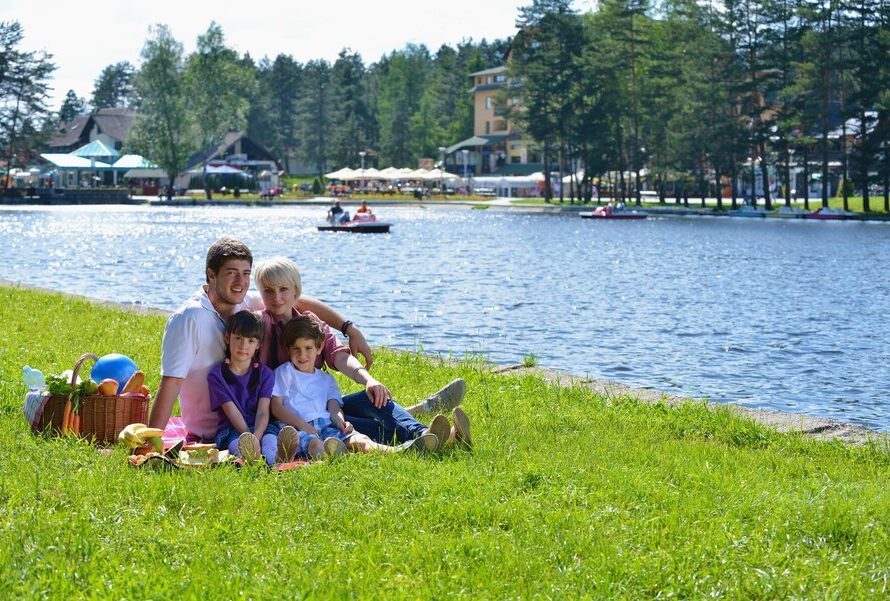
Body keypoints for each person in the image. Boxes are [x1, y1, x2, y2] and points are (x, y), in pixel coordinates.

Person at [147, 237, 376, 443]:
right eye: (231, 273)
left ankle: (394, 421)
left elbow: (296, 300)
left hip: (258, 414)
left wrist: (349, 328)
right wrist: (151, 441)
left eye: (246, 273)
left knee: (361, 404)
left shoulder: (242, 300)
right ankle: (382, 428)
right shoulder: (188, 318)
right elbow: (171, 383)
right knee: (343, 415)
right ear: (211, 275)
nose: (240, 281)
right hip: (218, 428)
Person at [254, 256, 471, 449]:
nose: (277, 297)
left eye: (283, 290)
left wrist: (368, 380)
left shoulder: (310, 323)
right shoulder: (259, 325)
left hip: (320, 407)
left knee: (374, 397)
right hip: (287, 414)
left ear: (295, 292)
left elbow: (338, 355)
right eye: (269, 291)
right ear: (260, 293)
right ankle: (434, 436)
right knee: (363, 427)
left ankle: (425, 434)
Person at [271, 315, 436, 457]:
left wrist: (341, 422)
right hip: (296, 427)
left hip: (326, 423)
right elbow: (277, 408)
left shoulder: (326, 380)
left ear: (319, 347)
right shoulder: (284, 373)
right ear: (288, 350)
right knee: (315, 445)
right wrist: (303, 425)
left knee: (359, 439)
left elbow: (334, 407)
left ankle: (397, 451)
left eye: (308, 348)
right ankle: (329, 455)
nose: (302, 355)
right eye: (296, 349)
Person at [208, 310, 296, 464]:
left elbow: (263, 411)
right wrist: (248, 437)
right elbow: (232, 412)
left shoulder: (265, 374)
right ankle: (252, 459)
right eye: (238, 338)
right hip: (232, 429)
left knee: (269, 440)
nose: (243, 346)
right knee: (238, 444)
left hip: (261, 426)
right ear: (228, 338)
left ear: (258, 345)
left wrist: (257, 435)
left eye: (250, 341)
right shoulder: (217, 375)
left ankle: (276, 460)